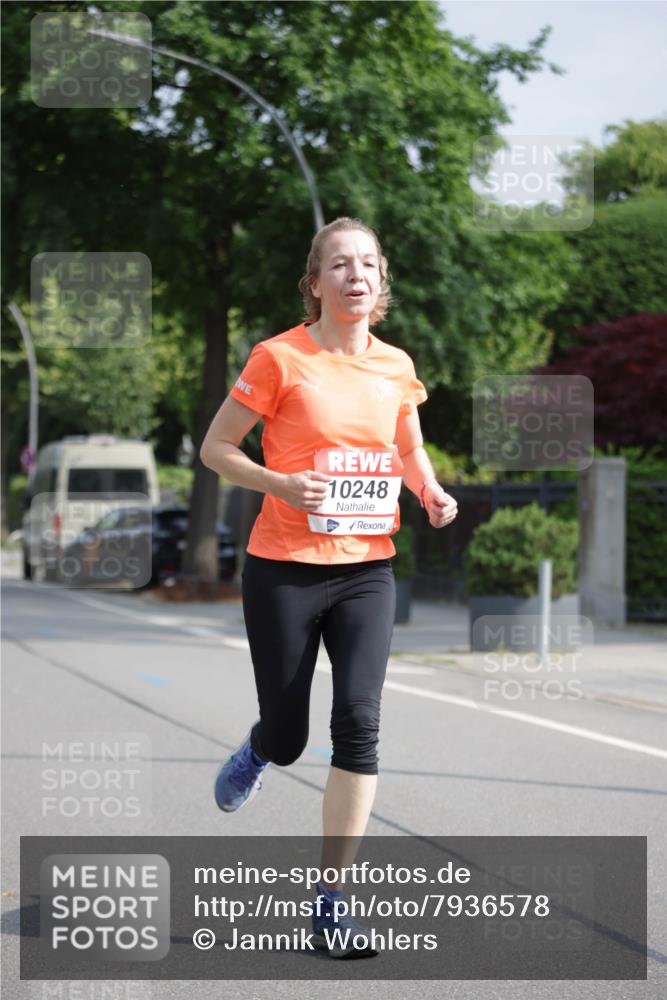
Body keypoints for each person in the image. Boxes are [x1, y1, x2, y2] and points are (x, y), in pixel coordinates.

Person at [200, 216, 458, 957]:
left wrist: (430, 490)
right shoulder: (279, 358)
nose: (355, 275)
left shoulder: (395, 365)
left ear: (380, 284)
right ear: (314, 283)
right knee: (288, 737)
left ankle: (331, 902)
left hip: (366, 571)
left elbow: (405, 443)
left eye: (368, 265)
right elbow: (217, 448)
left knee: (359, 723)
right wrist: (281, 482)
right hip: (282, 567)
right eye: (339, 265)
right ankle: (259, 747)